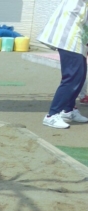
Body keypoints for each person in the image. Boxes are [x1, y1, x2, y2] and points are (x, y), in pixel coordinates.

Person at [38, 0, 88, 129]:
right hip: (69, 36)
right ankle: (52, 115)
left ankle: (68, 110)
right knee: (72, 77)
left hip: (79, 37)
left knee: (80, 76)